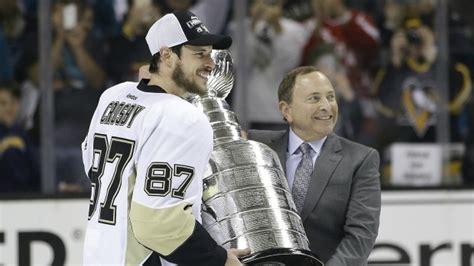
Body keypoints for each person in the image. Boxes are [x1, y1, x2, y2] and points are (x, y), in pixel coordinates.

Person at [81, 11, 248, 265]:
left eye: (210, 53)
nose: (211, 63)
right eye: (199, 54)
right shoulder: (183, 117)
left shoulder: (113, 96)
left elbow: (91, 166)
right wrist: (219, 259)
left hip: (99, 254)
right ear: (167, 55)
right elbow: (157, 223)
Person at [247, 66, 381, 265]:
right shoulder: (257, 147)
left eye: (331, 97)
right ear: (286, 110)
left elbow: (361, 235)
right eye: (314, 98)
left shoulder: (360, 159)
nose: (326, 106)